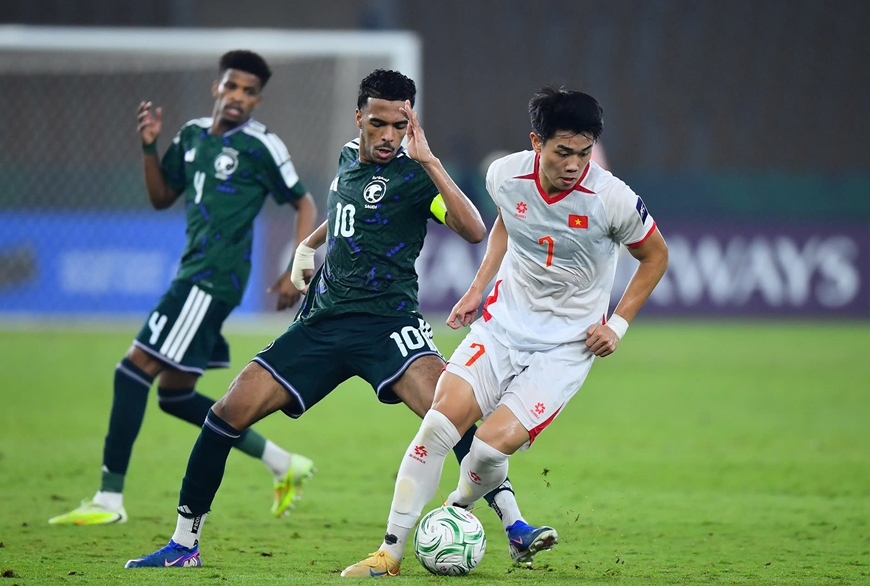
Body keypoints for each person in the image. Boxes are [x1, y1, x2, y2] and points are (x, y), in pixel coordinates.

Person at [123, 68, 535, 570]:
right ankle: (184, 545)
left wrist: (429, 160)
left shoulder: (414, 177)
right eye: (379, 124)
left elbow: (472, 229)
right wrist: (309, 243)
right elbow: (346, 206)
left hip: (388, 325)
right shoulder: (346, 157)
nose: (388, 137)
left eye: (400, 127)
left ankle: (515, 526)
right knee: (227, 412)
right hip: (320, 323)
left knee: (452, 416)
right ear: (359, 117)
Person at [343, 86, 669, 576]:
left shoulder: (612, 198)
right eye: (563, 152)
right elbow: (507, 222)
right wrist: (478, 288)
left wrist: (617, 324)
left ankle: (456, 509)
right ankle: (388, 553)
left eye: (583, 153)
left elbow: (655, 256)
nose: (574, 165)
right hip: (501, 328)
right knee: (437, 426)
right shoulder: (505, 175)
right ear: (537, 142)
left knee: (489, 448)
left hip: (566, 346)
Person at [49, 50, 319, 526]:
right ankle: (283, 462)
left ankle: (108, 499)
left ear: (257, 101)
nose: (237, 97)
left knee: (131, 371)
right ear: (217, 87)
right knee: (174, 394)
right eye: (231, 86)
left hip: (212, 278)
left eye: (249, 92)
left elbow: (304, 202)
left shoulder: (261, 146)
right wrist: (149, 148)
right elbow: (161, 197)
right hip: (194, 273)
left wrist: (295, 264)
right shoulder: (192, 135)